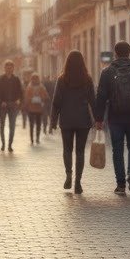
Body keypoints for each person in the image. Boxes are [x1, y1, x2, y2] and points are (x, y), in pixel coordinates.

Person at [94, 41, 130, 195]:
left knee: (117, 149)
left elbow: (100, 97)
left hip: (115, 116)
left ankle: (120, 185)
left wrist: (98, 119)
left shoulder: (107, 73)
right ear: (129, 52)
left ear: (115, 53)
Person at [49, 50, 96, 193]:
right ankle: (78, 182)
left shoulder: (62, 80)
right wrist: (98, 119)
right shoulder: (87, 79)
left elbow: (56, 102)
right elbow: (93, 101)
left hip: (66, 120)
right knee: (80, 151)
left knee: (67, 149)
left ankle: (68, 174)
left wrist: (53, 121)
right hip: (83, 120)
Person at [0, 60, 22, 152]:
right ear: (4, 68)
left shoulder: (16, 79)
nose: (9, 69)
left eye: (11, 67)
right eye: (7, 67)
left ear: (13, 68)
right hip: (3, 106)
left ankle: (10, 145)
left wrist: (19, 100)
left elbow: (21, 92)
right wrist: (0, 102)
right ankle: (3, 144)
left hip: (13, 105)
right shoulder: (0, 79)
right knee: (2, 125)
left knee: (12, 126)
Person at [25, 73, 48, 144]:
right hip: (31, 108)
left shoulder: (42, 87)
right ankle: (32, 139)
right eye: (33, 78)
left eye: (36, 78)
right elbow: (26, 97)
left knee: (38, 124)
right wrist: (31, 99)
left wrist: (41, 99)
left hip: (39, 108)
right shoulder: (29, 87)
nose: (35, 80)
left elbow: (46, 96)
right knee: (31, 125)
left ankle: (37, 138)